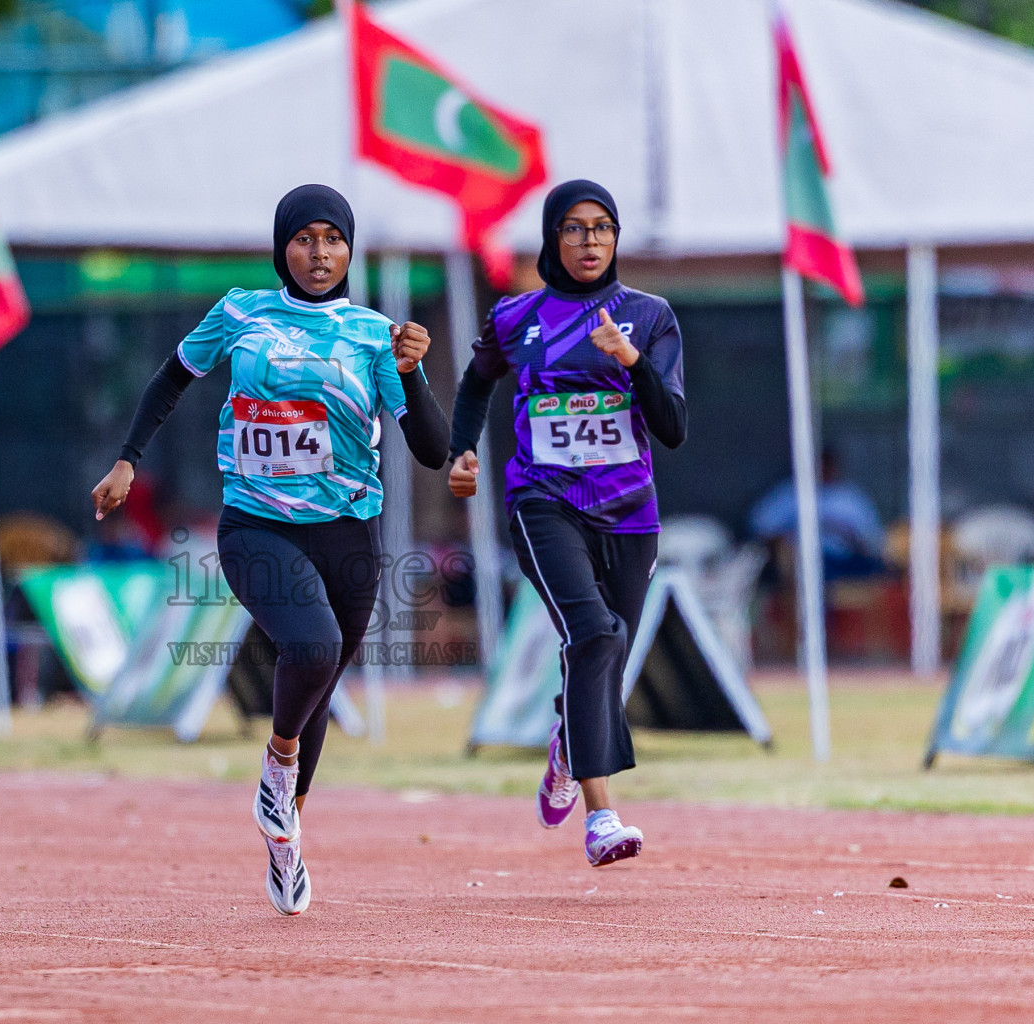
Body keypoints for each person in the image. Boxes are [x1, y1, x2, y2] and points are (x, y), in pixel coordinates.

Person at [91, 184, 449, 915]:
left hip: (347, 530)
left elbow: (434, 449)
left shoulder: (375, 334)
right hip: (256, 523)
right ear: (281, 245)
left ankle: (286, 840)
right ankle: (276, 771)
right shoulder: (240, 311)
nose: (319, 255)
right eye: (304, 239)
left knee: (318, 688)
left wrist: (410, 369)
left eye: (333, 240)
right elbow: (171, 379)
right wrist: (128, 458)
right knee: (312, 649)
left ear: (350, 249)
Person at [447, 180, 686, 867]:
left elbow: (672, 429)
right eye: (575, 229)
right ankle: (601, 816)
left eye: (603, 228)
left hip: (630, 514)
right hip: (542, 501)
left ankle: (566, 742)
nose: (590, 241)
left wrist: (631, 361)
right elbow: (473, 384)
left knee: (607, 656)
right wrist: (463, 450)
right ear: (554, 238)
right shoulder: (516, 317)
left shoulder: (650, 317)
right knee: (594, 633)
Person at [750, 446, 887, 581]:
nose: (824, 470)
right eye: (820, 465)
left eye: (828, 465)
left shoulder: (852, 498)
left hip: (844, 560)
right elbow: (760, 526)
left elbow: (872, 539)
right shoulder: (789, 494)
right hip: (804, 561)